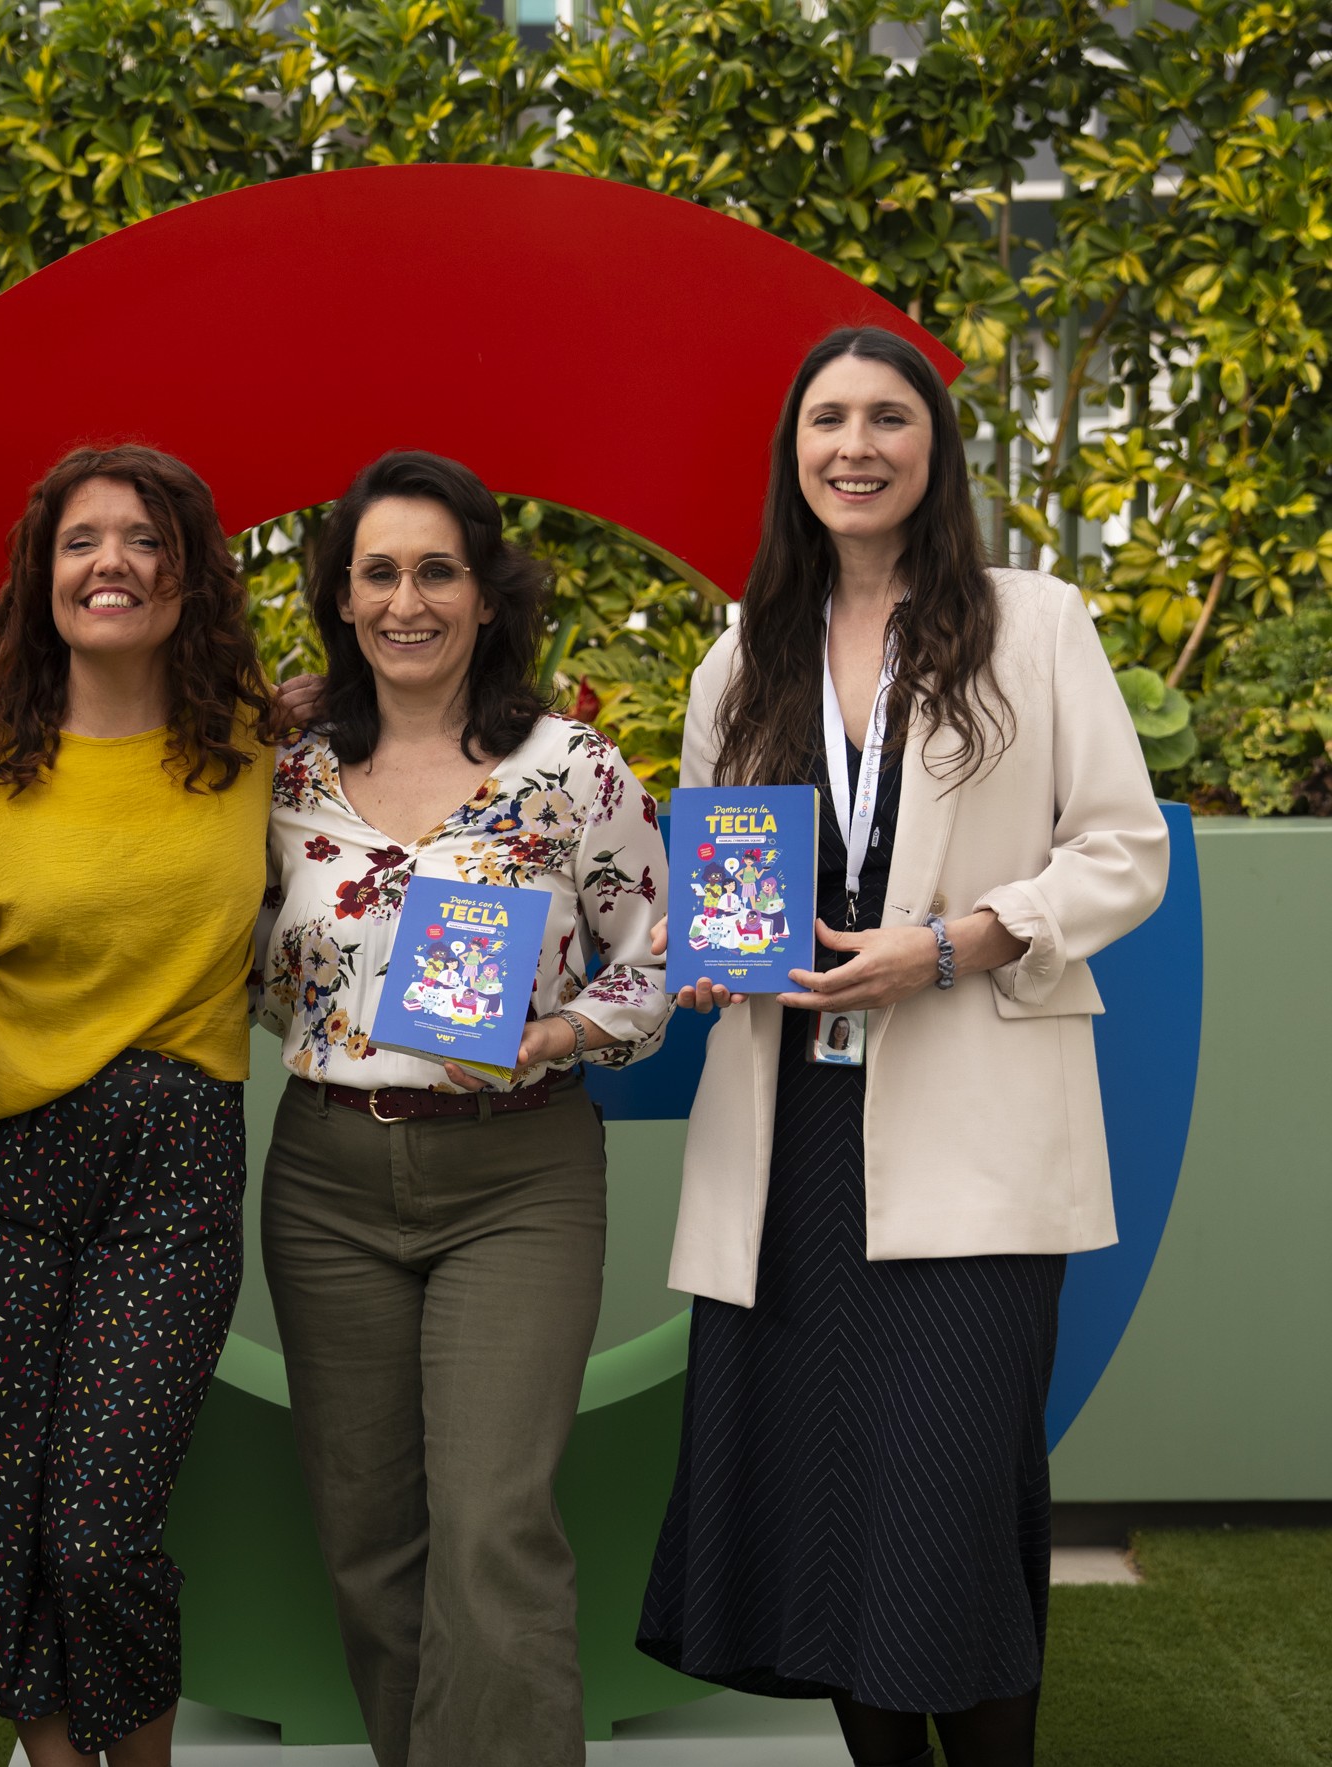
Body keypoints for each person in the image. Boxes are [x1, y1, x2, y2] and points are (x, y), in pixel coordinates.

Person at [636, 326, 1170, 1767]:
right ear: (791, 454)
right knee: (822, 1503)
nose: (853, 447)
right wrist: (708, 954)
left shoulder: (1032, 620)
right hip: (791, 1139)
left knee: (949, 1498)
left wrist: (957, 941)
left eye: (886, 418)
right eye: (826, 421)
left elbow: (1123, 852)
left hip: (974, 1119)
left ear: (933, 448)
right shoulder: (742, 653)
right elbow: (712, 870)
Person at [255, 450, 672, 1767]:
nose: (407, 600)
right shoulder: (289, 773)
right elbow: (242, 947)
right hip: (326, 1179)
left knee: (493, 1526)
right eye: (377, 572)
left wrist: (564, 1028)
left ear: (489, 595)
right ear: (340, 597)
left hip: (518, 1179)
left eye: (438, 570)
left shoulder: (572, 771)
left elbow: (662, 949)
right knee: (371, 1540)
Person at [0, 445, 283, 1767]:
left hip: (169, 1170)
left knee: (101, 1529)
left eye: (143, 540)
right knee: (7, 1524)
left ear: (191, 577)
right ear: (42, 574)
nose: (111, 563)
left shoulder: (254, 748)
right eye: (81, 541)